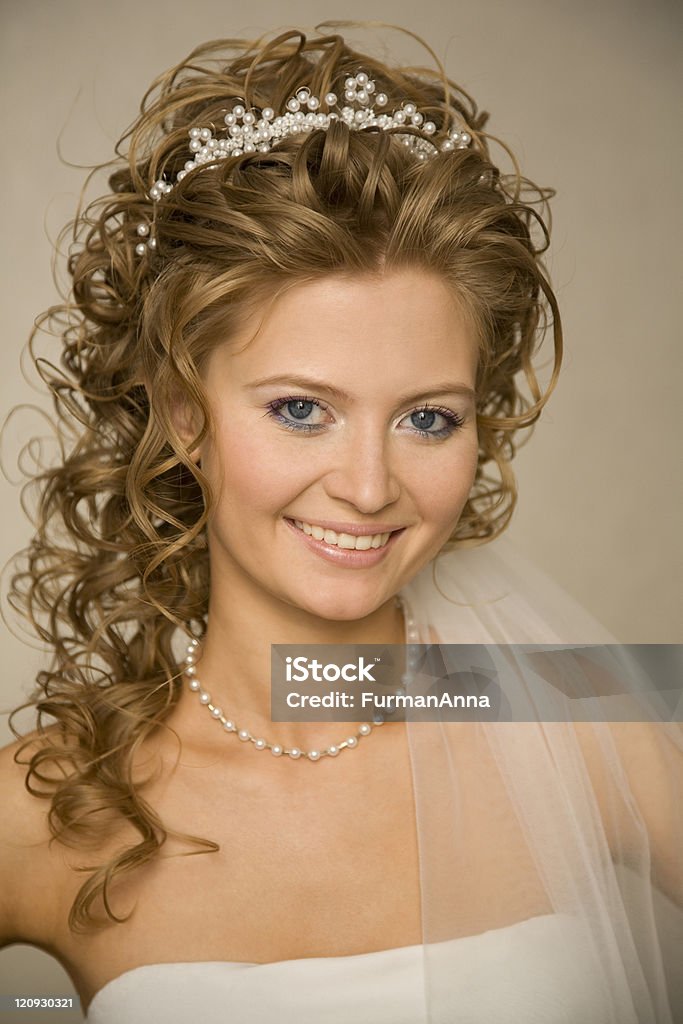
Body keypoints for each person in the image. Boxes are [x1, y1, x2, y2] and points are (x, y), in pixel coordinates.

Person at [0, 21, 681, 1024]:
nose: (368, 487)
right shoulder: (43, 811)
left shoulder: (591, 738)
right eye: (299, 409)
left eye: (426, 418)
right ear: (184, 414)